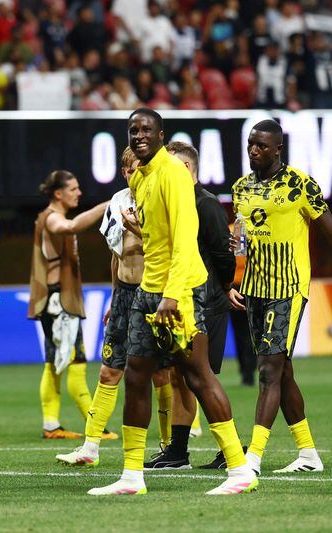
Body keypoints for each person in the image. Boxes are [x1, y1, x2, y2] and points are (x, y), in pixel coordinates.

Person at [88, 108, 257, 496]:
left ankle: (239, 469)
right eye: (133, 130)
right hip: (149, 290)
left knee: (197, 375)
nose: (139, 135)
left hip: (178, 293)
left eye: (147, 129)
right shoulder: (143, 178)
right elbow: (156, 241)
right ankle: (132, 476)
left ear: (161, 135)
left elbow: (183, 240)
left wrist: (171, 296)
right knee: (135, 374)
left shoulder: (173, 175)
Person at [230, 119, 332, 476]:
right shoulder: (241, 188)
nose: (253, 151)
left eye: (260, 146)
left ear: (278, 149)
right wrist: (235, 271)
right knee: (283, 370)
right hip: (254, 289)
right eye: (250, 145)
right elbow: (241, 239)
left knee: (268, 371)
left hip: (287, 289)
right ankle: (308, 454)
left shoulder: (299, 184)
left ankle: (252, 459)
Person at [55, 147, 170, 467]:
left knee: (161, 376)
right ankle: (90, 447)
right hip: (124, 296)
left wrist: (137, 228)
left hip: (154, 293)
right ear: (124, 172)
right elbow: (116, 255)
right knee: (108, 371)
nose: (140, 174)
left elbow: (166, 248)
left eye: (144, 168)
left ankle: (168, 445)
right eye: (134, 169)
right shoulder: (118, 202)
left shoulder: (160, 197)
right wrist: (114, 294)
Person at [142, 141, 236, 470]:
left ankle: (231, 451)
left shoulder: (205, 203)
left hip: (205, 298)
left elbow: (222, 252)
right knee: (182, 376)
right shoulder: (173, 199)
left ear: (186, 169)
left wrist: (225, 287)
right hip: (180, 297)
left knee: (201, 376)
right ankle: (178, 451)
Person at [28, 170, 108, 440]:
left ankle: (51, 424)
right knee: (76, 363)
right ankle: (94, 427)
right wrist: (107, 205)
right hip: (59, 303)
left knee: (54, 364)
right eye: (73, 189)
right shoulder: (52, 218)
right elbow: (71, 227)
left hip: (56, 300)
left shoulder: (49, 217)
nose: (79, 193)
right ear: (58, 194)